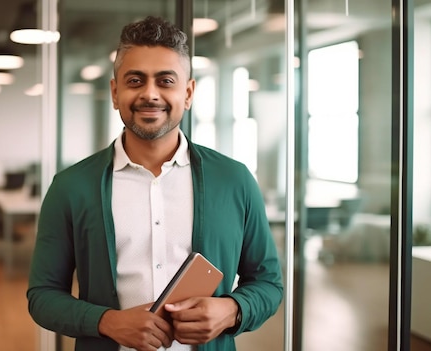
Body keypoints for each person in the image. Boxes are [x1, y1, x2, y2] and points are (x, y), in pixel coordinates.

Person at [27, 16, 283, 351]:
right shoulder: (71, 186)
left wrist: (233, 310)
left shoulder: (235, 180)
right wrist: (107, 322)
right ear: (115, 92)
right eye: (135, 81)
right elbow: (42, 297)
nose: (150, 94)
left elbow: (268, 283)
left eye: (165, 81)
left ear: (188, 93)